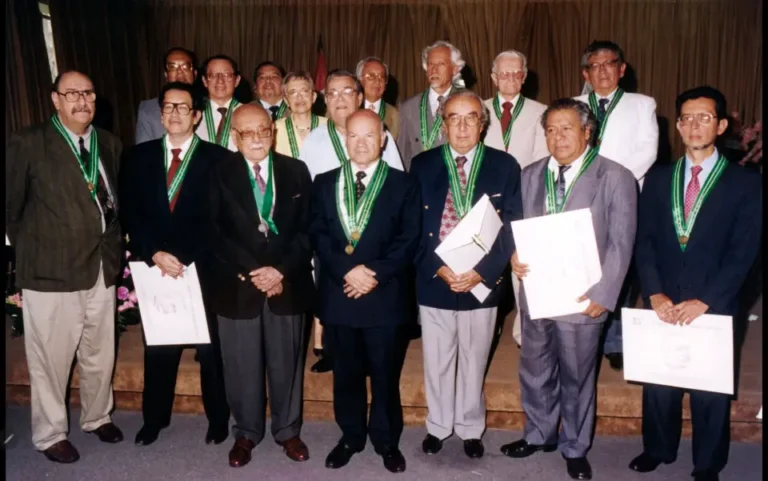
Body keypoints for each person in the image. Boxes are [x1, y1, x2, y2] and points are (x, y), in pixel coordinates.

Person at [629, 86, 761, 481]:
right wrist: (653, 290)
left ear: (721, 125)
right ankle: (658, 448)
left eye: (704, 117)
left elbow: (746, 252)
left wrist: (709, 299)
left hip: (714, 302)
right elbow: (644, 239)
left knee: (710, 389)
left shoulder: (746, 183)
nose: (694, 125)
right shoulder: (659, 178)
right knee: (659, 383)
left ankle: (707, 462)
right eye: (687, 118)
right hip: (663, 297)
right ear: (679, 126)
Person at [503, 98, 637, 480]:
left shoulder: (614, 176)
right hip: (538, 291)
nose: (558, 137)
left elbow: (621, 243)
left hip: (583, 297)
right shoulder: (530, 174)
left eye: (566, 129)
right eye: (550, 130)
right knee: (534, 369)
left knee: (578, 377)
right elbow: (518, 225)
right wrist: (514, 252)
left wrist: (604, 294)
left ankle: (575, 445)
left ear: (586, 132)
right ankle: (538, 433)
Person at [6, 70, 124, 463]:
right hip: (51, 272)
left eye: (88, 93)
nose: (82, 101)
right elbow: (12, 208)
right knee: (51, 360)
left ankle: (97, 416)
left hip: (102, 267)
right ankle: (50, 433)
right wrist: (39, 250)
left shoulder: (108, 143)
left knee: (99, 352)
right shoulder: (28, 142)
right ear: (55, 100)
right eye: (71, 93)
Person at [410, 90, 522, 460]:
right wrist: (437, 268)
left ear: (482, 123)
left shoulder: (505, 166)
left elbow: (511, 228)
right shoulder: (423, 164)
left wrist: (481, 273)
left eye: (470, 117)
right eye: (453, 118)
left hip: (481, 282)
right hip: (435, 277)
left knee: (475, 359)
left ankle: (471, 427)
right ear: (443, 124)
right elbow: (413, 227)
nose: (461, 126)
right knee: (437, 359)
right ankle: (439, 426)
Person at [118, 81, 230, 447]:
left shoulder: (219, 158)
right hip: (155, 267)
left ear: (197, 115)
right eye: (168, 107)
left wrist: (184, 257)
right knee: (159, 347)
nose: (175, 114)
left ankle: (217, 419)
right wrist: (153, 254)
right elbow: (130, 212)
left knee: (210, 349)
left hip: (202, 266)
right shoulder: (137, 156)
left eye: (183, 107)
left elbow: (222, 219)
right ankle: (154, 420)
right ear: (160, 113)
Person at [310, 109, 420, 474]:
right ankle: (350, 437)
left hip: (384, 297)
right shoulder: (325, 183)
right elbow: (319, 235)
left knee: (386, 376)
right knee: (346, 374)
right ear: (344, 141)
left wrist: (373, 273)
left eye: (369, 136)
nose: (360, 143)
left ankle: (387, 441)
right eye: (353, 136)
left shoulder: (404, 184)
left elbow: (409, 241)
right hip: (339, 296)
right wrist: (348, 270)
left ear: (383, 139)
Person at [207, 104, 314, 467]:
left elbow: (307, 230)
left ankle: (288, 430)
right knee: (240, 366)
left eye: (263, 130)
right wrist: (256, 272)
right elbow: (215, 234)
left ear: (273, 130)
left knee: (287, 364)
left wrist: (279, 271)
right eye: (247, 133)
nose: (256, 139)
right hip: (238, 286)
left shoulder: (296, 171)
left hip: (286, 285)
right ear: (234, 137)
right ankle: (247, 434)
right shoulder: (218, 173)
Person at [300, 69, 403, 373]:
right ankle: (333, 352)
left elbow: (397, 188)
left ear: (360, 97)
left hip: (375, 242)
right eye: (332, 93)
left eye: (347, 92)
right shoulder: (314, 139)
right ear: (324, 101)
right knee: (334, 299)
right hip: (334, 243)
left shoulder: (380, 135)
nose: (340, 99)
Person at [575, 40, 659, 371]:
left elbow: (647, 151)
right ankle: (586, 337)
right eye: (595, 66)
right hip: (580, 200)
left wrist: (612, 187)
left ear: (622, 69)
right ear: (586, 73)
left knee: (619, 270)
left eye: (609, 64)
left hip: (624, 197)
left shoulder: (642, 104)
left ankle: (615, 341)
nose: (603, 71)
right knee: (584, 269)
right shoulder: (574, 104)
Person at [483, 49, 549, 347]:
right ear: (494, 77)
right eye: (504, 73)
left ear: (524, 77)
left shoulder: (541, 112)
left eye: (516, 73)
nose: (510, 78)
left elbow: (541, 160)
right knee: (483, 268)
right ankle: (486, 329)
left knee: (522, 272)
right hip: (482, 203)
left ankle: (525, 334)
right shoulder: (478, 109)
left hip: (524, 201)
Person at [398, 41, 465, 171]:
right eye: (430, 64)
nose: (434, 70)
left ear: (455, 68)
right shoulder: (408, 108)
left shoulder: (467, 104)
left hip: (457, 183)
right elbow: (403, 155)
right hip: (421, 185)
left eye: (441, 64)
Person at [135, 47, 198, 144]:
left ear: (195, 73)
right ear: (166, 75)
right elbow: (143, 151)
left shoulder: (207, 106)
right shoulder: (148, 109)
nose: (180, 72)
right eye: (172, 67)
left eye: (185, 66)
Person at [274, 71, 327, 158]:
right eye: (292, 92)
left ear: (313, 97)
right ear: (286, 101)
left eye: (304, 91)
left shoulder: (329, 126)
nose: (299, 97)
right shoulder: (276, 128)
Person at [196, 54, 242, 151]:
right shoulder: (193, 113)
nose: (220, 80)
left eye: (227, 75)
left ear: (237, 80)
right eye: (213, 75)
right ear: (204, 81)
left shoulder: (247, 113)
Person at [356, 56, 400, 140]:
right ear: (359, 80)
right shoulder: (349, 108)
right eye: (371, 76)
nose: (377, 81)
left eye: (382, 77)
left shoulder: (395, 114)